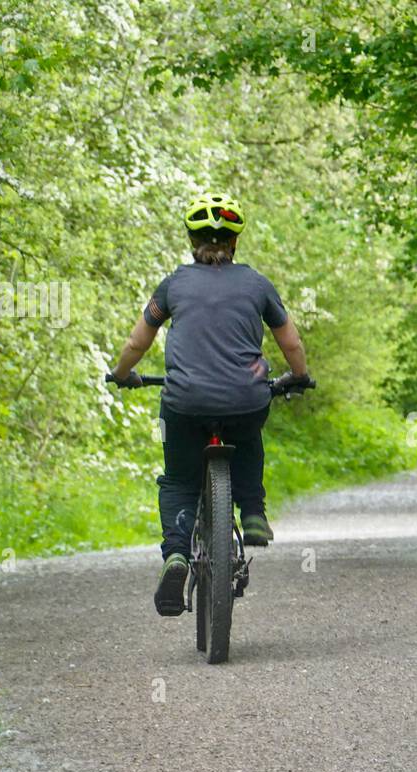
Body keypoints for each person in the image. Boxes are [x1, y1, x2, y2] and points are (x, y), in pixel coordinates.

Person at [110, 192, 311, 616]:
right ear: (235, 244)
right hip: (246, 397)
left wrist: (123, 374)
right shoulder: (257, 284)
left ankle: (178, 555)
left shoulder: (174, 284)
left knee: (180, 481)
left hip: (185, 402)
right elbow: (290, 341)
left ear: (190, 241)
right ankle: (253, 512)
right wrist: (298, 376)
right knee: (249, 438)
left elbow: (135, 341)